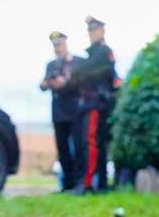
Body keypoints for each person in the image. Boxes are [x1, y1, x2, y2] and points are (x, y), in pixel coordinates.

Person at [69, 17, 117, 194]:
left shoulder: (103, 52)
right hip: (92, 105)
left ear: (102, 31)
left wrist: (81, 72)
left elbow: (90, 73)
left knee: (91, 143)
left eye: (95, 30)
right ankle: (100, 184)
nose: (92, 33)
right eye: (90, 30)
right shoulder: (91, 55)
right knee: (96, 144)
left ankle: (88, 183)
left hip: (95, 104)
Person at [39, 31, 79, 192]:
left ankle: (77, 182)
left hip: (73, 112)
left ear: (65, 44)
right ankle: (66, 184)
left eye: (59, 44)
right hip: (58, 113)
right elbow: (43, 84)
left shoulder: (74, 62)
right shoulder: (51, 65)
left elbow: (77, 84)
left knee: (76, 148)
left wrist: (64, 83)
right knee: (62, 150)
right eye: (55, 45)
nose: (57, 48)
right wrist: (48, 84)